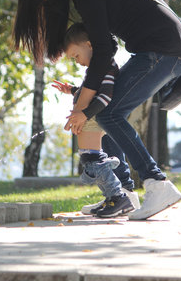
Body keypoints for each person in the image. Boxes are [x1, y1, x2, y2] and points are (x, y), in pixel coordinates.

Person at [13, 0, 181, 220]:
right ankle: (123, 194)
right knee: (106, 112)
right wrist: (84, 102)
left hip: (165, 50)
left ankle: (157, 183)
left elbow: (101, 53)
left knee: (107, 113)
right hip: (159, 50)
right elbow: (107, 46)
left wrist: (83, 108)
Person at [52, 23, 140, 218]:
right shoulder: (97, 69)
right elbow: (93, 92)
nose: (77, 61)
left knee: (92, 160)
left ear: (90, 45)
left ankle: (118, 197)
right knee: (91, 159)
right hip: (91, 119)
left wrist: (85, 114)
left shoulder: (105, 66)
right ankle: (112, 197)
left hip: (94, 119)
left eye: (76, 56)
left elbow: (105, 96)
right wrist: (73, 90)